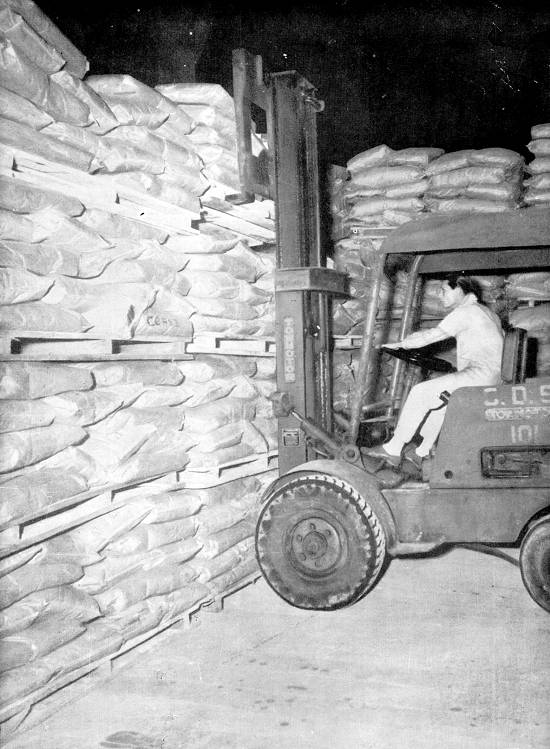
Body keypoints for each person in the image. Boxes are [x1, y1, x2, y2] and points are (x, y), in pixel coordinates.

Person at [368, 273, 504, 470]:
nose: (440, 296)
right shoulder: (487, 312)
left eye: (443, 290)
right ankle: (420, 453)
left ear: (460, 289)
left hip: (481, 374)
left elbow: (432, 336)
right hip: (492, 376)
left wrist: (400, 345)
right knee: (442, 404)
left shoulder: (466, 312)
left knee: (420, 392)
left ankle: (392, 449)